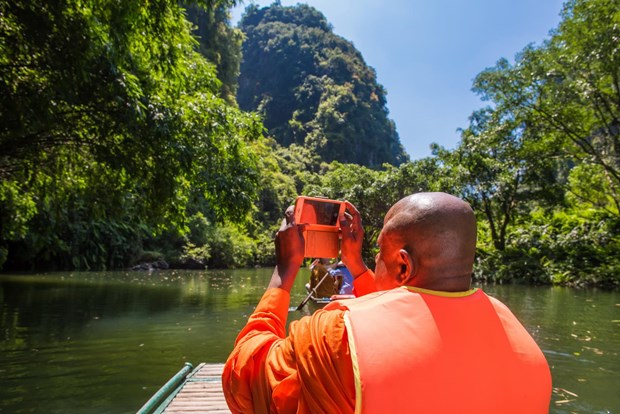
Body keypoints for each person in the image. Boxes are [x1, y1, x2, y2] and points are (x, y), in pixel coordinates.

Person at [222, 192, 552, 413]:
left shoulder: (335, 334)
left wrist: (285, 268)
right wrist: (357, 264)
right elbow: (402, 322)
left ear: (403, 266)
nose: (373, 258)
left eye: (378, 252)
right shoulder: (522, 341)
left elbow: (243, 380)